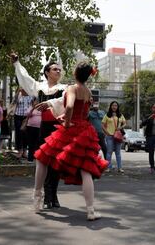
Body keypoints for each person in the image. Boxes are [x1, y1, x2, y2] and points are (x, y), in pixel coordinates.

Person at [33, 61, 108, 220]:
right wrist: (68, 117)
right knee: (85, 169)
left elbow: (69, 106)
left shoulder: (72, 88)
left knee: (42, 158)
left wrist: (66, 122)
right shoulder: (88, 92)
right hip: (85, 130)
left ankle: (37, 200)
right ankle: (91, 211)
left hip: (71, 129)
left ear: (75, 73)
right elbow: (83, 113)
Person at [11, 52, 66, 209]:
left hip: (58, 128)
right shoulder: (39, 87)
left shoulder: (64, 88)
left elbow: (66, 100)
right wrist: (17, 63)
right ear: (47, 72)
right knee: (43, 161)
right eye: (55, 69)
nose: (58, 71)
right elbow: (26, 78)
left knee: (56, 163)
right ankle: (41, 194)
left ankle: (52, 194)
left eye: (59, 70)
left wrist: (49, 103)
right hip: (44, 128)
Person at [102, 101, 126, 173]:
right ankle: (108, 167)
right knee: (109, 152)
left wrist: (120, 127)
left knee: (118, 153)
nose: (114, 107)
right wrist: (106, 132)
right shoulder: (107, 115)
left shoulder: (120, 115)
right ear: (111, 106)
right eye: (113, 105)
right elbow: (102, 124)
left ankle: (120, 168)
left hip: (118, 136)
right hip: (110, 136)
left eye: (116, 105)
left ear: (117, 107)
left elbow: (125, 123)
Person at [13, 88, 33, 159]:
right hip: (18, 116)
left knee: (26, 134)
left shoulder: (31, 95)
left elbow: (34, 104)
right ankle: (20, 151)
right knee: (19, 134)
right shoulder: (19, 94)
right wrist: (18, 91)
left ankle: (25, 151)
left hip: (27, 117)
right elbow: (14, 101)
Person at [25, 97, 41, 162]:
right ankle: (30, 159)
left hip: (39, 128)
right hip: (30, 127)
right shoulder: (30, 108)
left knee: (38, 143)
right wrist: (33, 108)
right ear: (33, 102)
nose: (37, 102)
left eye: (38, 101)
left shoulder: (41, 108)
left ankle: (36, 158)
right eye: (36, 101)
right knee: (31, 143)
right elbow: (28, 115)